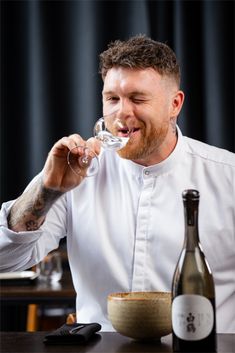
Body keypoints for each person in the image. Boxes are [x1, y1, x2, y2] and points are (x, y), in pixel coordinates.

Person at [0, 35, 234, 333]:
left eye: (137, 98)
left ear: (175, 104)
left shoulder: (228, 177)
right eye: (112, 99)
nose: (121, 113)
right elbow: (6, 260)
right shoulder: (77, 171)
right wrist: (48, 190)